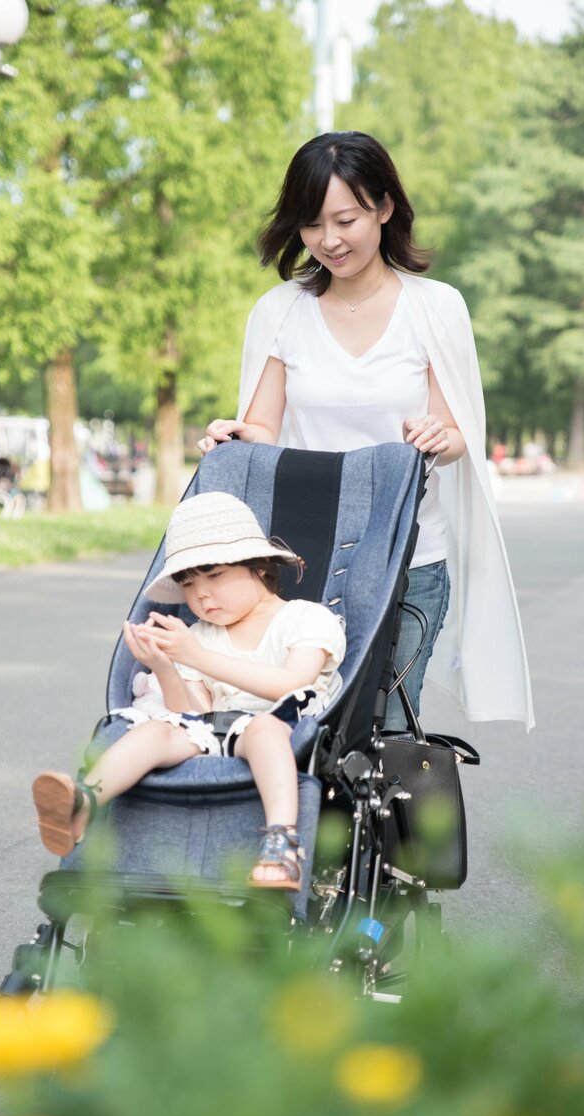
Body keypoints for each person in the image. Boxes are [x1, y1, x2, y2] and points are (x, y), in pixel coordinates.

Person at [200, 131, 533, 731]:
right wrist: (232, 438)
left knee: (386, 733)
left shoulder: (436, 308)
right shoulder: (280, 312)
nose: (328, 240)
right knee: (298, 721)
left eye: (345, 219)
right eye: (310, 223)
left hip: (410, 556)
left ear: (383, 208)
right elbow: (263, 434)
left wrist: (437, 434)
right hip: (305, 557)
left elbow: (458, 438)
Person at [32, 491, 346, 890]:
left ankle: (281, 842)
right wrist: (166, 666)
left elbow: (293, 683)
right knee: (156, 731)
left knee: (263, 729)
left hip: (286, 728)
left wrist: (198, 657)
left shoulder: (305, 618)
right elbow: (193, 712)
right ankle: (82, 805)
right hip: (218, 730)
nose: (201, 594)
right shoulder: (199, 636)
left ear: (260, 566)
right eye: (188, 583)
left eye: (215, 576)